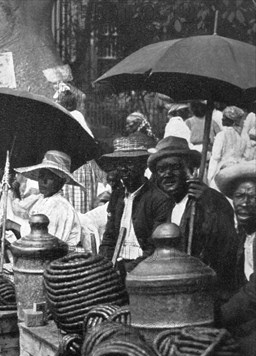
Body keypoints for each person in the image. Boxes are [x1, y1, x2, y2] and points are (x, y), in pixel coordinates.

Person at [149, 136, 238, 299]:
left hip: (208, 294)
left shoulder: (210, 200)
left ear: (190, 170)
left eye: (174, 167)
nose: (167, 174)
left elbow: (227, 251)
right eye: (161, 169)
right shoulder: (168, 206)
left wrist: (209, 205)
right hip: (177, 291)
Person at [98, 136, 173, 269]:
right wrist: (103, 264)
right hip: (118, 265)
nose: (123, 169)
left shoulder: (158, 199)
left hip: (145, 268)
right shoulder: (117, 196)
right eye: (119, 164)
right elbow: (109, 237)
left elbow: (155, 247)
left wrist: (130, 269)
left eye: (129, 162)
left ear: (143, 165)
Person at [11, 151, 83, 247]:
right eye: (41, 176)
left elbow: (46, 243)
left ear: (61, 181)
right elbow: (21, 208)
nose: (43, 181)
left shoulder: (59, 206)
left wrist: (13, 226)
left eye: (50, 177)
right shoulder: (42, 199)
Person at [57, 90, 105, 214]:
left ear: (67, 105)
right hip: (76, 167)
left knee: (78, 209)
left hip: (78, 168)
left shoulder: (73, 117)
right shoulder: (74, 117)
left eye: (59, 102)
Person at [215, 161, 256, 288]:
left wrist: (225, 308)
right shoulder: (243, 236)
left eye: (252, 197)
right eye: (239, 196)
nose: (244, 203)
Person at [207, 106, 248, 188]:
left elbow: (215, 157)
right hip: (239, 170)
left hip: (223, 170)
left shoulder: (222, 135)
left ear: (231, 120)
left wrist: (210, 177)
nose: (222, 119)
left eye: (224, 117)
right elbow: (246, 155)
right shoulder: (244, 136)